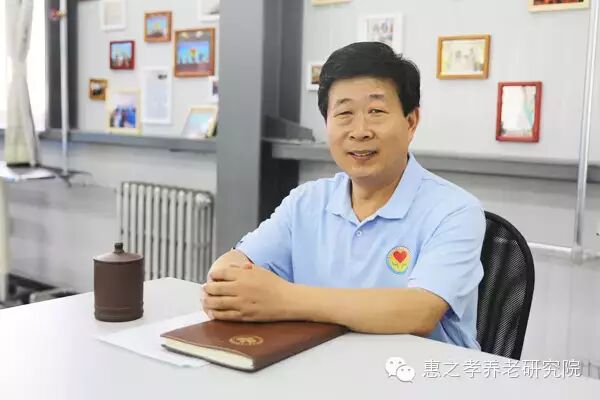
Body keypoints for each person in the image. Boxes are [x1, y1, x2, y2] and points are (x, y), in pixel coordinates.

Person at [202, 42, 485, 349]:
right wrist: (224, 286)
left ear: (411, 121)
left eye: (376, 112)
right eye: (345, 113)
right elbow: (232, 265)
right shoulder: (306, 201)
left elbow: (419, 311)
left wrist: (283, 298)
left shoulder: (455, 210)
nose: (360, 131)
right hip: (320, 363)